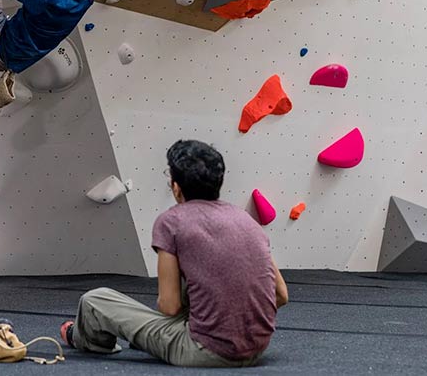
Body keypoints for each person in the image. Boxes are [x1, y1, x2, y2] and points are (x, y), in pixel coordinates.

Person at [59, 140, 289, 368]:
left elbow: (169, 307)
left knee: (95, 300)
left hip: (203, 351)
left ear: (176, 187)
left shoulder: (172, 222)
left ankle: (86, 339)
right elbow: (281, 295)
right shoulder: (245, 220)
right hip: (257, 349)